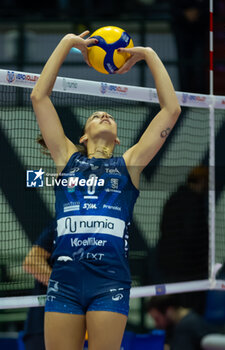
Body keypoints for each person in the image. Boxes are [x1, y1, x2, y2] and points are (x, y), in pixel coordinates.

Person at [30, 30, 181, 350]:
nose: (103, 114)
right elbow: (39, 97)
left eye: (109, 117)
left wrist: (149, 54)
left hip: (109, 283)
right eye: (96, 115)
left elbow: (171, 110)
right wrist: (67, 42)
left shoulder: (130, 165)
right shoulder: (65, 160)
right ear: (82, 137)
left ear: (118, 139)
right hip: (65, 282)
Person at [154, 165, 209, 314]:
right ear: (203, 181)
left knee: (173, 309)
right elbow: (192, 235)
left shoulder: (174, 198)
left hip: (171, 268)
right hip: (189, 271)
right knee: (184, 311)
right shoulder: (193, 203)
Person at [22, 220, 56, 350]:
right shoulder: (60, 224)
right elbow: (31, 262)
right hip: (42, 323)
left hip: (76, 322)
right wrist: (65, 290)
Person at [147, 294, 219, 350]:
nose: (156, 324)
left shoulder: (186, 326)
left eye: (157, 319)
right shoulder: (188, 319)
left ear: (169, 311)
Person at [169, 0, 209, 94]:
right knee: (184, 65)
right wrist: (184, 14)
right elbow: (173, 9)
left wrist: (198, 12)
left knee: (199, 65)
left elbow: (212, 7)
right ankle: (185, 98)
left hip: (200, 31)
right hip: (182, 31)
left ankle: (200, 97)